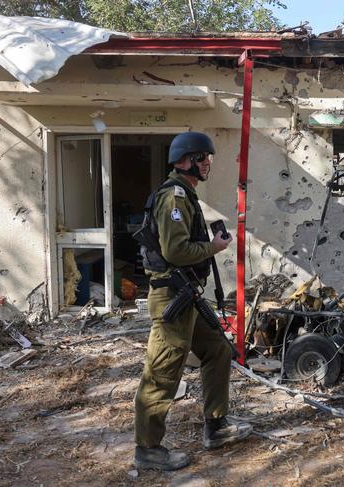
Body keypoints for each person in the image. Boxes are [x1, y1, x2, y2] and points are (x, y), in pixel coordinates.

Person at [133, 132, 252, 471]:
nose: (208, 163)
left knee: (217, 349)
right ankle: (148, 449)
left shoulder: (184, 195)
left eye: (208, 158)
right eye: (202, 158)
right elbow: (175, 251)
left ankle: (217, 426)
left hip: (185, 296)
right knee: (162, 372)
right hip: (173, 297)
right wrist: (214, 247)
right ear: (184, 161)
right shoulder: (174, 197)